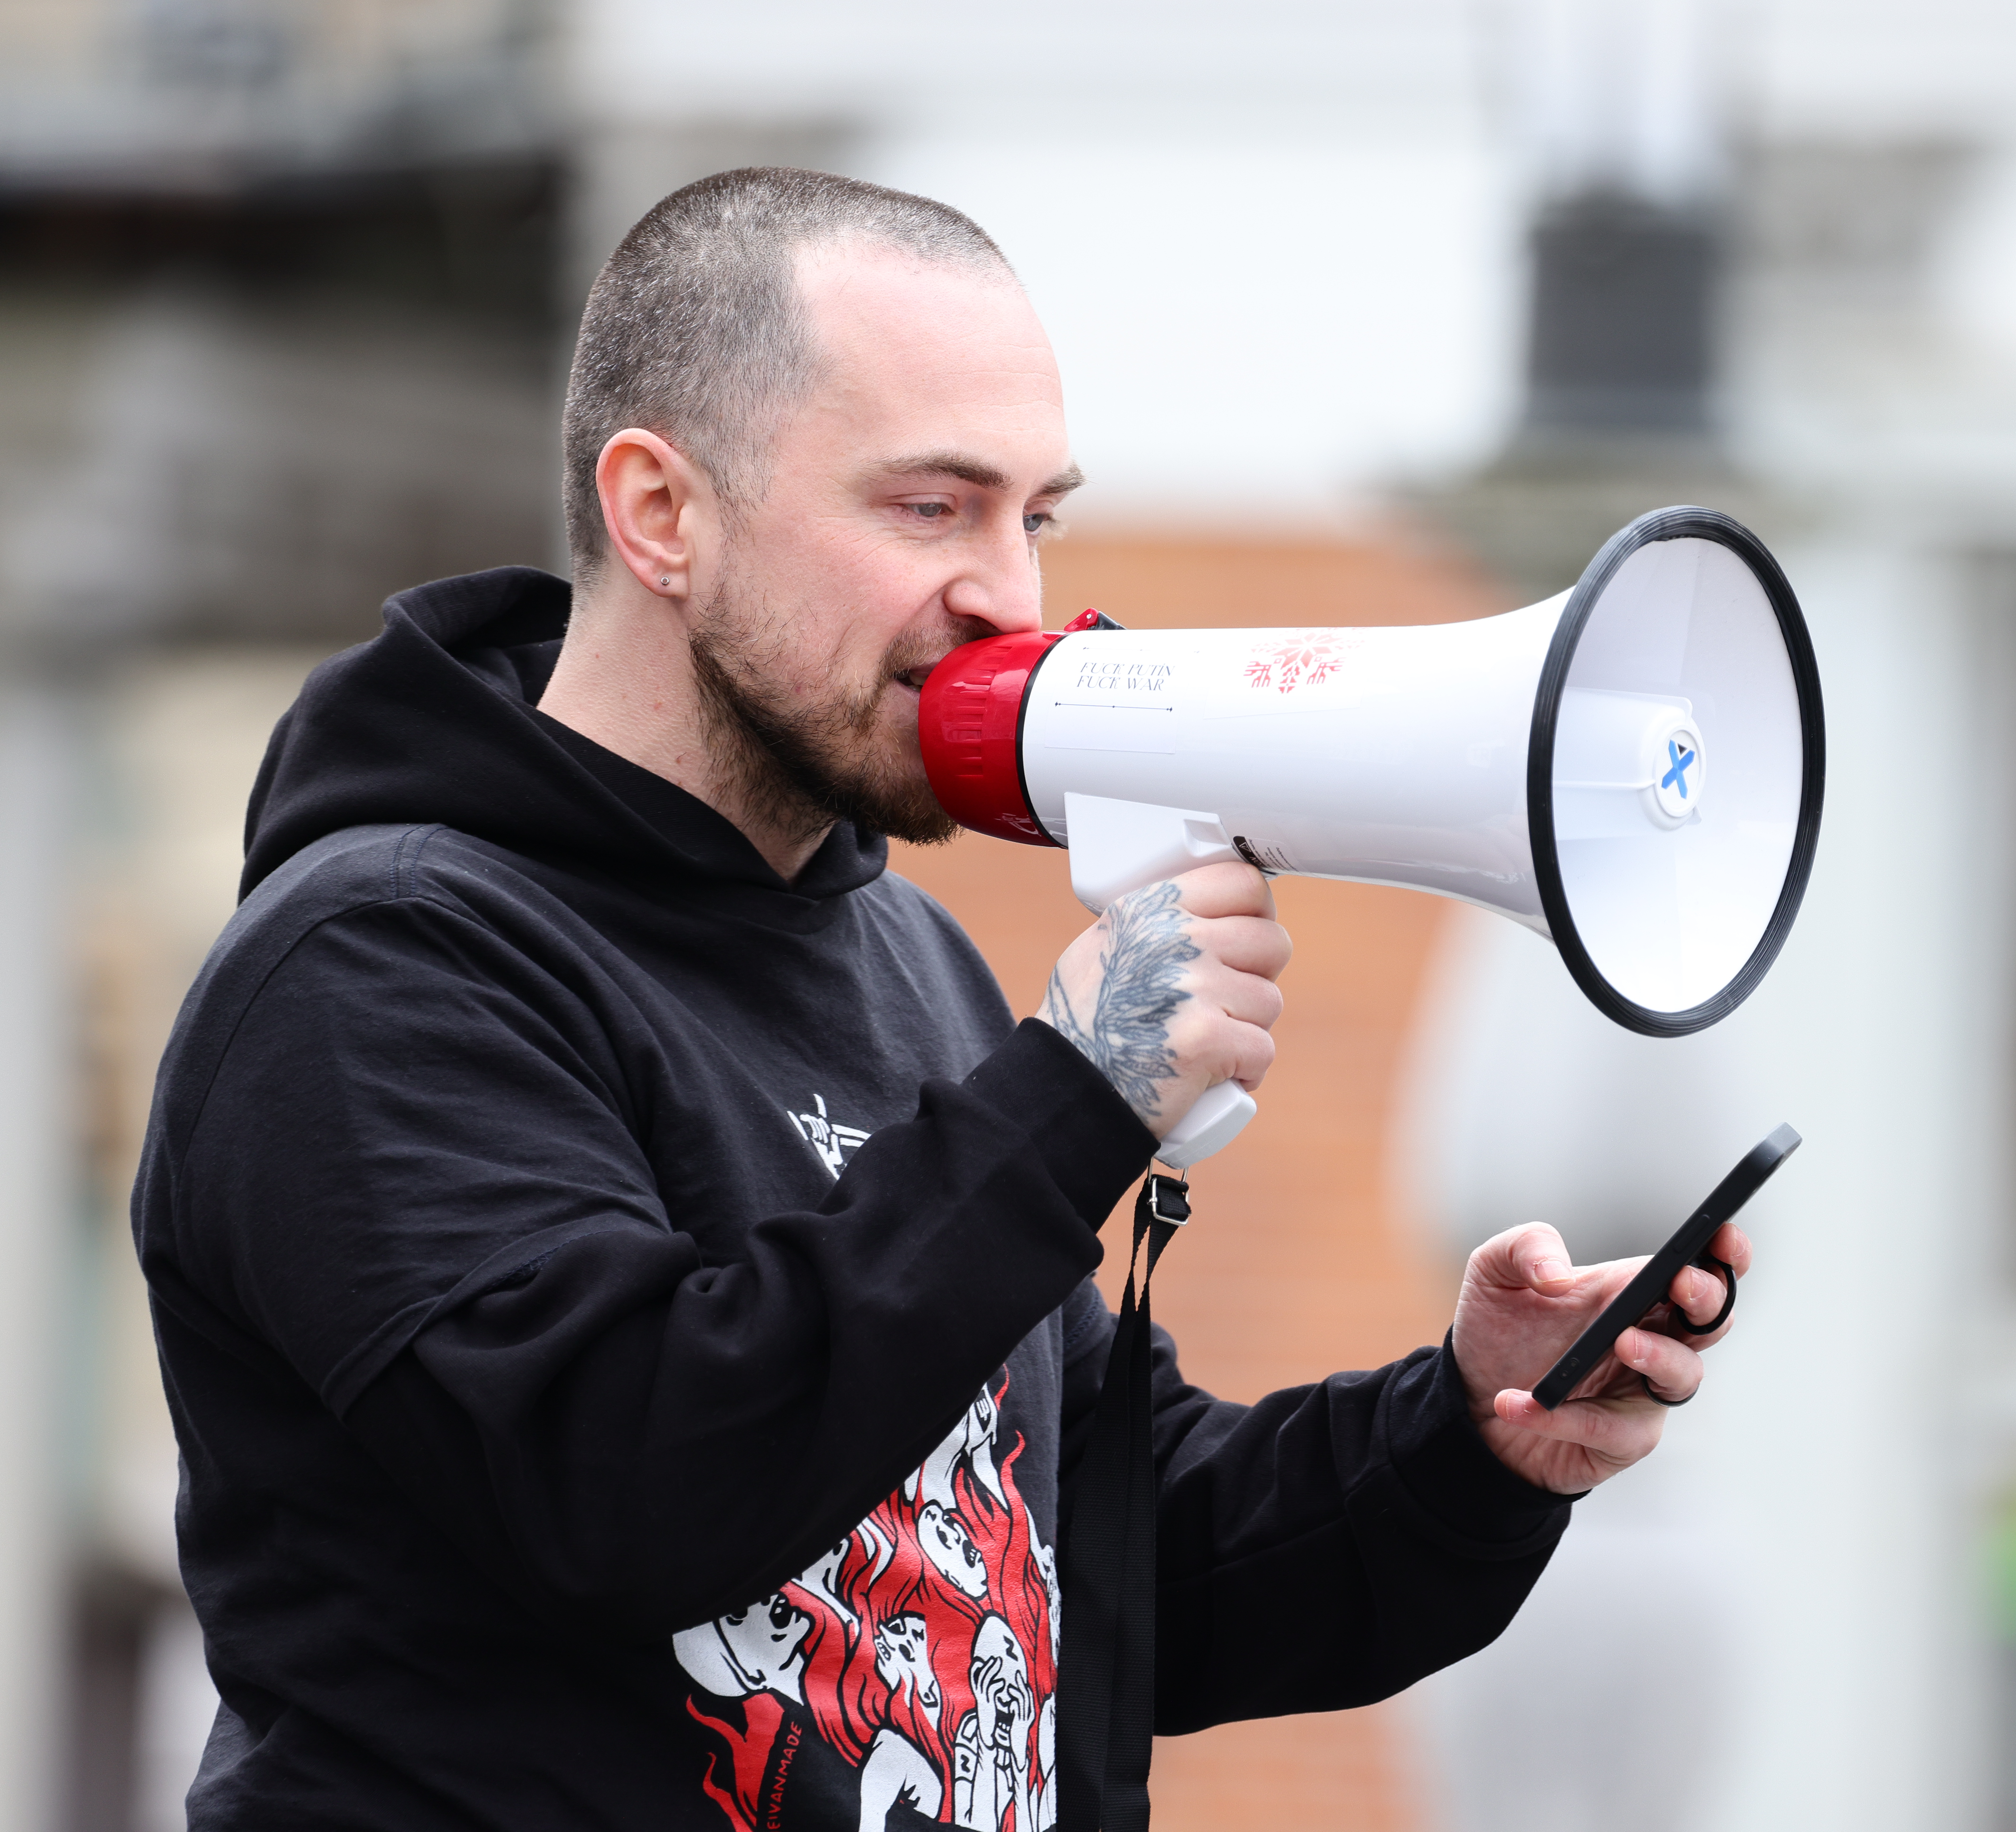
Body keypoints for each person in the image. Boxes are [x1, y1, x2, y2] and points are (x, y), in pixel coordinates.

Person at [130, 167, 1752, 1831]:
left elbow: (1087, 1567)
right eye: (931, 508)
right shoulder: (382, 967)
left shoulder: (907, 962)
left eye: (1033, 516)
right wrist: (1070, 1099)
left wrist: (1472, 1439)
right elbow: (629, 1482)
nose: (1012, 597)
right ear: (661, 512)